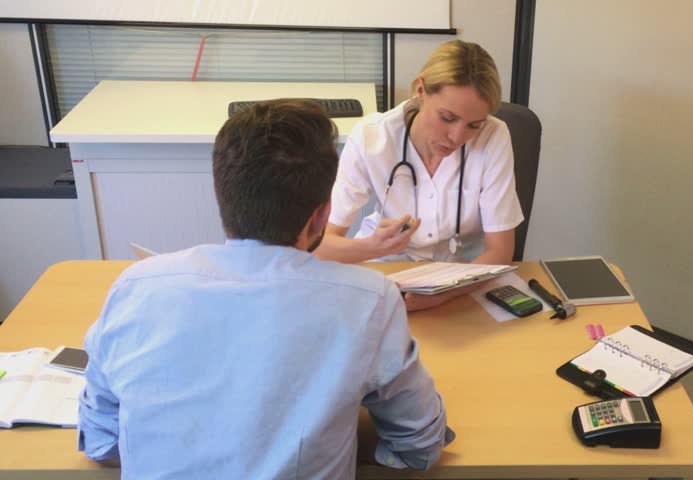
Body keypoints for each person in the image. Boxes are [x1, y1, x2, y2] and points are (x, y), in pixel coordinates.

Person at [77, 99, 454, 478]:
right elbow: (420, 446)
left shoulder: (136, 287)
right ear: (322, 214)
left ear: (222, 194)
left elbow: (101, 443)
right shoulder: (369, 300)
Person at [314, 40, 524, 311]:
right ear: (421, 91)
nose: (457, 138)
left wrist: (443, 293)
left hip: (465, 276)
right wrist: (375, 247)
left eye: (474, 125)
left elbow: (499, 252)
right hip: (387, 273)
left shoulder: (494, 136)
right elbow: (320, 248)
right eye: (447, 118)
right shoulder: (372, 137)